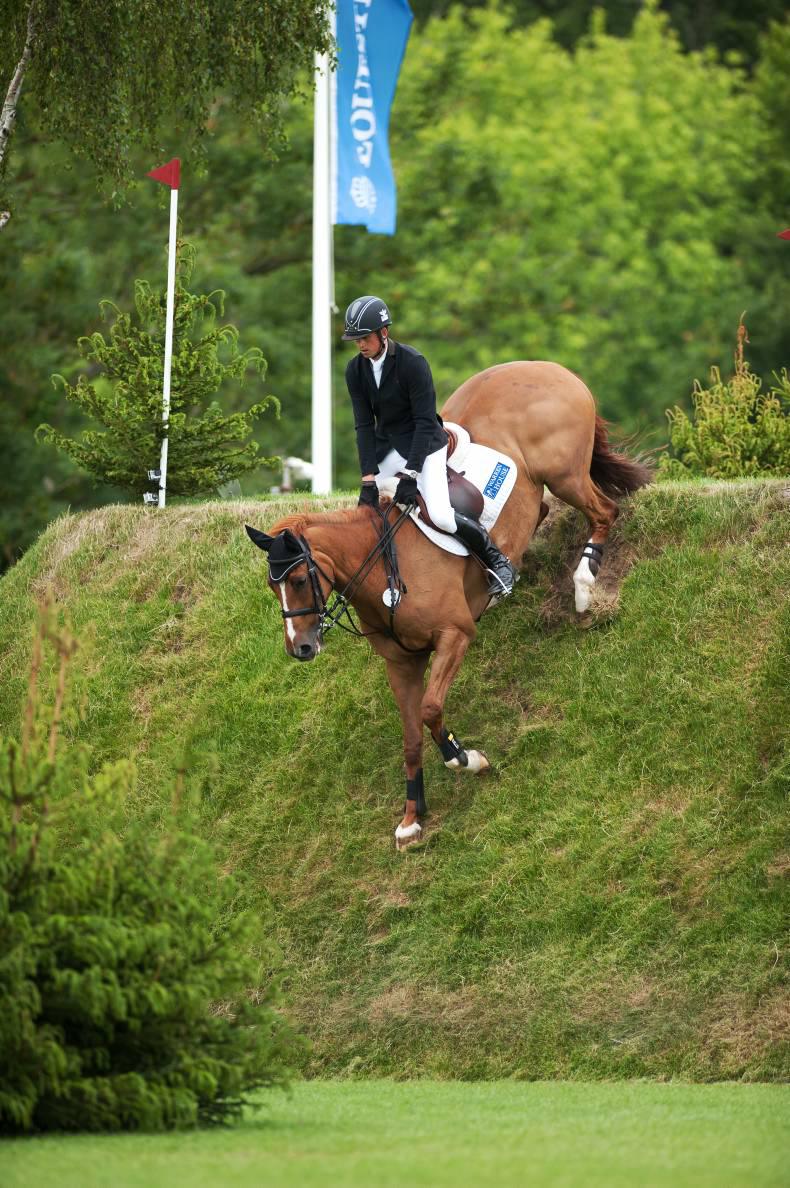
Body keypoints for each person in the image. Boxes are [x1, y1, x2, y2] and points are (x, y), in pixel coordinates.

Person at [342, 295, 517, 597]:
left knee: (440, 516)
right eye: (355, 339)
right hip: (388, 447)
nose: (360, 345)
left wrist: (412, 474)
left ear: (383, 333)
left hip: (425, 444)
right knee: (367, 512)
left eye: (365, 337)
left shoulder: (412, 363)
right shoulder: (355, 370)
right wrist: (367, 478)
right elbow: (363, 425)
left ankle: (498, 562)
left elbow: (424, 421)